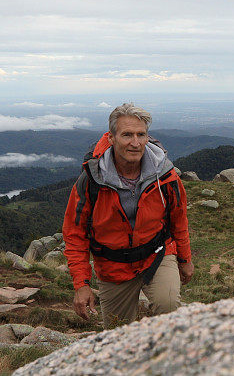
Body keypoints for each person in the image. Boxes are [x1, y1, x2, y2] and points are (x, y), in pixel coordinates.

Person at [63, 103, 194, 328]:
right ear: (111, 138)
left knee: (169, 306)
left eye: (141, 135)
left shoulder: (165, 176)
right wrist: (81, 283)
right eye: (127, 135)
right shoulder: (91, 181)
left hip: (157, 255)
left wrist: (184, 259)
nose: (135, 142)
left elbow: (178, 218)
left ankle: (164, 357)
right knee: (117, 332)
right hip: (113, 266)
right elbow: (75, 234)